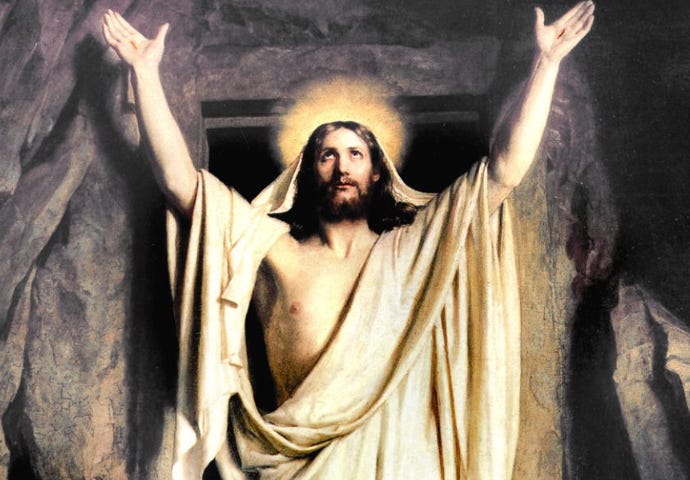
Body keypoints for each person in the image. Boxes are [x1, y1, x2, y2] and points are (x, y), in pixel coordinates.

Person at [102, 3, 594, 479]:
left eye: (356, 154)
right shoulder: (279, 253)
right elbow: (181, 185)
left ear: (378, 172)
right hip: (297, 465)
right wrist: (144, 73)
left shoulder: (413, 250)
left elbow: (503, 171)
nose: (342, 167)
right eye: (328, 155)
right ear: (306, 172)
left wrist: (546, 63)